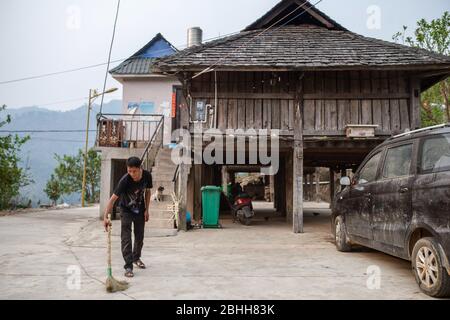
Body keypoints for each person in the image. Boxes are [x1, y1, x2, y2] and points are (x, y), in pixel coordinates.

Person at [103, 157, 153, 278]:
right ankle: (128, 266)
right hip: (125, 210)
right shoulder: (125, 180)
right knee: (126, 238)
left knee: (139, 236)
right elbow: (112, 199)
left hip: (140, 210)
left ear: (140, 168)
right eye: (129, 171)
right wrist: (105, 217)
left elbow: (148, 192)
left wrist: (147, 209)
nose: (131, 174)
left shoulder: (147, 176)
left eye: (134, 171)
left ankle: (136, 258)